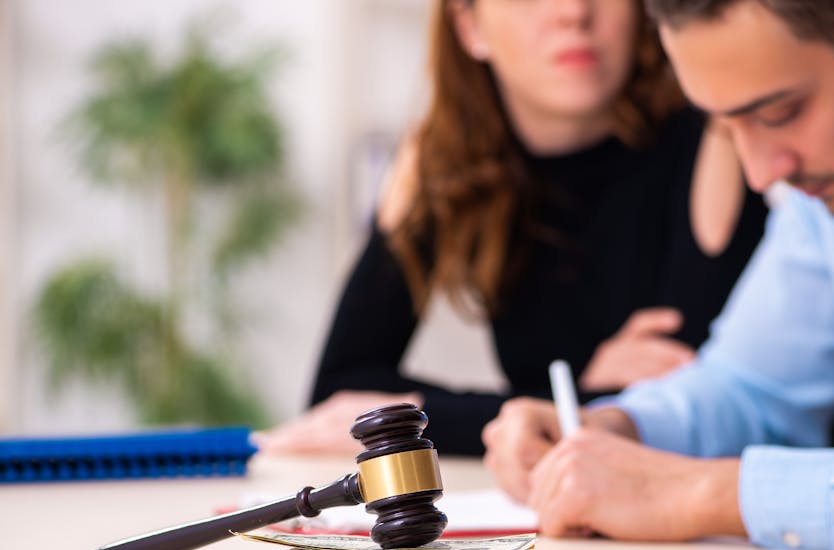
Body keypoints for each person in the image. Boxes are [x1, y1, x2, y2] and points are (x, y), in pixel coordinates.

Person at [482, 0, 834, 550]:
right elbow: (752, 387)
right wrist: (616, 429)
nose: (760, 173)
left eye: (777, 114)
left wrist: (705, 494)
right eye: (726, 126)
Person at [255, 0, 769, 456]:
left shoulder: (716, 131)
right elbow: (338, 399)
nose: (573, 12)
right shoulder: (440, 160)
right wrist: (574, 398)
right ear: (469, 27)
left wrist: (420, 412)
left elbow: (700, 400)